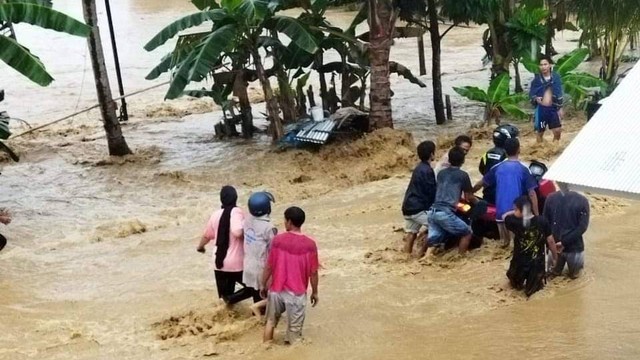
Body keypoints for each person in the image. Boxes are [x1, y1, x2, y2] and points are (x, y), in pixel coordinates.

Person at [261, 206, 319, 344]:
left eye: (285, 220)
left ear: (289, 222)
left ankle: (265, 351)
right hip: (297, 294)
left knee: (270, 322)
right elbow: (313, 272)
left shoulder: (278, 240)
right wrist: (315, 292)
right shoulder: (310, 245)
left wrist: (263, 285)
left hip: (276, 291)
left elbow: (269, 266)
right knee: (294, 334)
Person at [474, 138, 539, 248]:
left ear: (505, 151)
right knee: (517, 247)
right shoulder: (524, 169)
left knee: (504, 245)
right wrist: (536, 216)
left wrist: (470, 192)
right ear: (519, 150)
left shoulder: (497, 168)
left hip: (500, 214)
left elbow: (481, 183)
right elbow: (532, 194)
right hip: (516, 214)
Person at [425, 147, 478, 259]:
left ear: (449, 159)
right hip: (446, 213)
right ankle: (460, 258)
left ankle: (425, 257)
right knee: (467, 233)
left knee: (435, 239)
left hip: (432, 212)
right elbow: (469, 197)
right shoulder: (463, 175)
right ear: (463, 160)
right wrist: (481, 203)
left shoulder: (441, 174)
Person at [197, 185, 246, 302]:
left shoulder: (215, 214)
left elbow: (206, 236)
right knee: (254, 288)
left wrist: (200, 247)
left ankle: (228, 305)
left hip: (218, 262)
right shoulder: (238, 212)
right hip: (236, 263)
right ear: (236, 198)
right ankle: (231, 299)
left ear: (221, 199)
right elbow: (237, 232)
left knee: (223, 300)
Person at [503, 196, 558, 297]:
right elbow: (550, 241)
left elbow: (504, 216)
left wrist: (512, 213)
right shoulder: (543, 221)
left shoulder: (514, 222)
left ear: (523, 211)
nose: (514, 212)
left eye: (515, 209)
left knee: (515, 286)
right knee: (532, 292)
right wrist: (555, 257)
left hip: (519, 262)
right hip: (536, 264)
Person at [237, 191, 278, 316]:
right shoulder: (269, 228)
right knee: (265, 302)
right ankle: (260, 324)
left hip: (248, 265)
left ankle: (255, 318)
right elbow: (274, 251)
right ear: (267, 208)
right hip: (261, 269)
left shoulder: (248, 220)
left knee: (256, 296)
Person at [543, 182, 590, 279]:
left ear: (557, 182)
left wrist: (550, 243)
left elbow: (545, 223)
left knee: (551, 276)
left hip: (554, 246)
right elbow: (582, 227)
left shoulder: (550, 198)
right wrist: (564, 242)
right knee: (576, 279)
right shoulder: (582, 200)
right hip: (575, 247)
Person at [401, 141, 437, 257]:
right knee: (435, 226)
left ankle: (406, 256)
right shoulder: (427, 170)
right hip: (418, 208)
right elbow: (431, 192)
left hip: (408, 207)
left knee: (411, 233)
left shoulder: (418, 168)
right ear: (432, 154)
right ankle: (422, 254)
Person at [478, 124, 520, 204]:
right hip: (503, 197)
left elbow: (482, 169)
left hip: (488, 194)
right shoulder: (509, 155)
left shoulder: (487, 153)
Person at [530, 55, 564, 142]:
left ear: (550, 65)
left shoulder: (556, 77)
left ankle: (553, 150)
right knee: (540, 133)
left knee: (557, 131)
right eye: (541, 65)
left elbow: (559, 92)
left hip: (553, 108)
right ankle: (540, 150)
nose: (543, 67)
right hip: (541, 110)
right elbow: (532, 94)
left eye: (545, 64)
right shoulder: (536, 80)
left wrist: (560, 108)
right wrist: (536, 98)